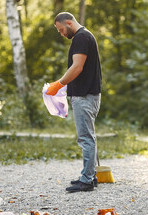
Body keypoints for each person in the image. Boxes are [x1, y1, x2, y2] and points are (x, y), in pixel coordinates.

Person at [47, 12, 102, 193]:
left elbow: (77, 67)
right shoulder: (84, 37)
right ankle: (90, 175)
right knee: (88, 136)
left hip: (85, 96)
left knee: (86, 138)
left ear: (69, 23)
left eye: (61, 29)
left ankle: (86, 180)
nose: (61, 34)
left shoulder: (81, 38)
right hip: (86, 94)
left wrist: (59, 84)